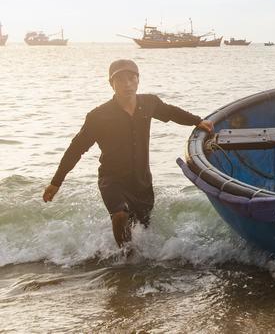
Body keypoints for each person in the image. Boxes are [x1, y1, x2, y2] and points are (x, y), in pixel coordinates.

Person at [42, 59, 213, 248]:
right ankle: (124, 261)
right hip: (112, 179)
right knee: (120, 214)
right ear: (111, 84)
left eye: (132, 78)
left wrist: (197, 121)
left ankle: (136, 261)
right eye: (121, 80)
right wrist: (56, 182)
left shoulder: (149, 103)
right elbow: (76, 149)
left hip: (142, 181)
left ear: (138, 80)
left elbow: (171, 112)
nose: (127, 84)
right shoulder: (98, 116)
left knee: (142, 228)